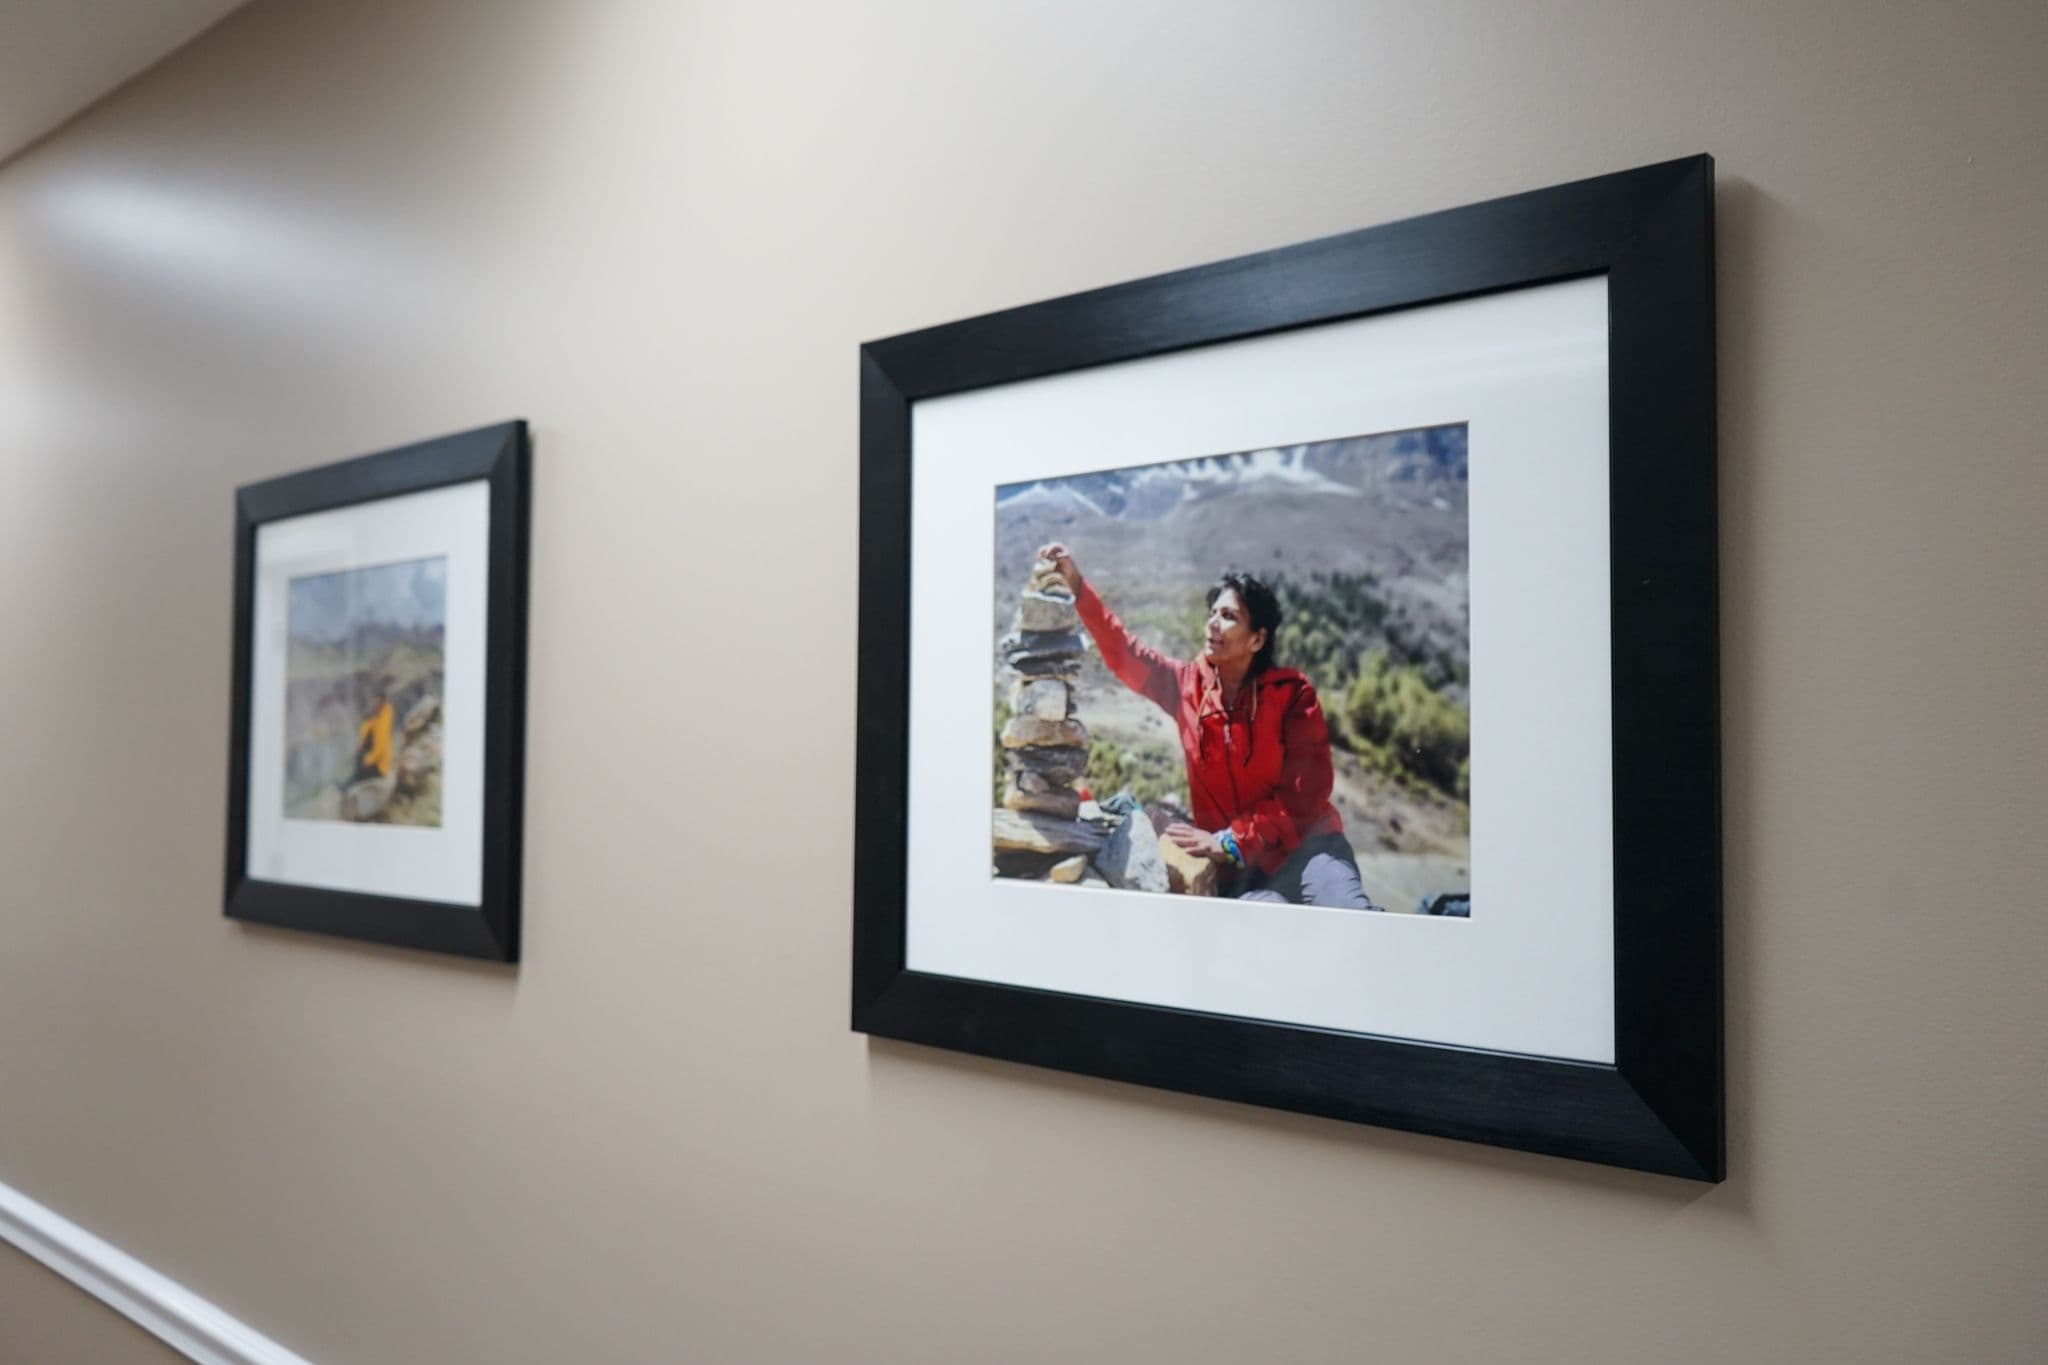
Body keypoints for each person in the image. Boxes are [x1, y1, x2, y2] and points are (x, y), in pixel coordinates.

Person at [1039, 543, 1379, 909]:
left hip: (1312, 851)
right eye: (1212, 612)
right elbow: (1124, 651)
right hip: (1243, 870)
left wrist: (1231, 839)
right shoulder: (1186, 686)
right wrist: (1076, 586)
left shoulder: (1292, 694)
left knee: (1352, 919)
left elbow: (1304, 796)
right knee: (1264, 931)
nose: (1213, 622)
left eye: (1229, 615)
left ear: (1257, 639)